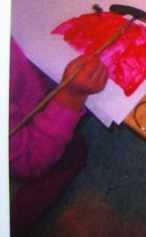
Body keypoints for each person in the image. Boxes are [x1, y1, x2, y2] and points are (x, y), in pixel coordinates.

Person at [9, 37, 108, 236]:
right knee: (70, 156)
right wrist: (71, 96)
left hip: (28, 82)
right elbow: (32, 158)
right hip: (31, 147)